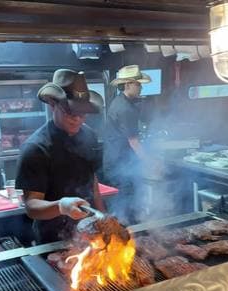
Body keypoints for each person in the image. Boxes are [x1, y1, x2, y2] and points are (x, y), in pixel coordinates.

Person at [15, 69, 105, 244]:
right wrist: (61, 206)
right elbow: (32, 206)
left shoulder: (90, 136)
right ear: (52, 103)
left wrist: (103, 217)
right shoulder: (36, 148)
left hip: (89, 232)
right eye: (70, 111)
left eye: (83, 112)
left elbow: (93, 182)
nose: (77, 119)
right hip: (53, 238)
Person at [103, 65, 152, 224]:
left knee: (123, 204)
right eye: (138, 84)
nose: (141, 87)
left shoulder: (121, 101)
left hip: (115, 161)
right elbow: (134, 142)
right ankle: (130, 237)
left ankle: (127, 233)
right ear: (127, 85)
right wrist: (152, 163)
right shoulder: (125, 108)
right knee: (126, 205)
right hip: (119, 164)